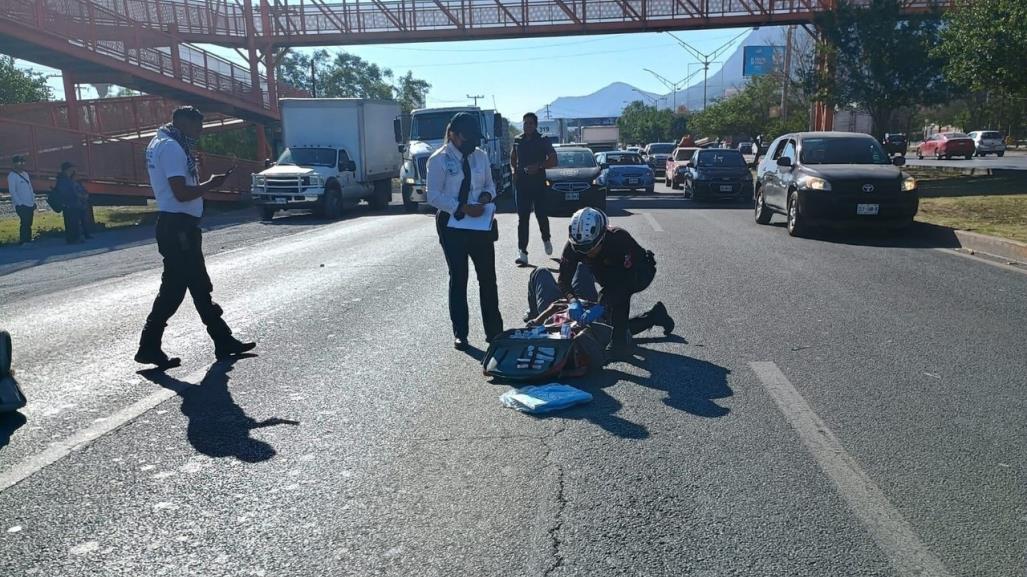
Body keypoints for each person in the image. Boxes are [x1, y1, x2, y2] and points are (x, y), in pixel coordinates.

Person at [135, 106, 255, 370]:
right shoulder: (171, 148)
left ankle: (218, 340)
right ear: (183, 122)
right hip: (178, 228)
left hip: (176, 226)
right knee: (188, 288)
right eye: (197, 126)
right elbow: (181, 192)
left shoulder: (161, 143)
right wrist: (211, 185)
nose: (200, 132)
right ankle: (152, 345)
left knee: (186, 288)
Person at [426, 112, 504, 351]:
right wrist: (460, 207)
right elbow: (434, 196)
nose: (472, 142)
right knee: (459, 278)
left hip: (480, 224)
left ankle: (495, 333)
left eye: (474, 138)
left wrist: (485, 197)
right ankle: (461, 333)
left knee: (488, 279)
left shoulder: (480, 157)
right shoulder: (438, 160)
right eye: (466, 137)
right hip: (453, 225)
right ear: (453, 135)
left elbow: (490, 185)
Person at [557, 207, 674, 357]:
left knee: (614, 302)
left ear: (602, 237)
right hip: (609, 273)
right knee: (609, 323)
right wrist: (572, 300)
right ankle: (654, 316)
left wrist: (602, 304)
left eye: (590, 248)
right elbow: (563, 280)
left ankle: (619, 346)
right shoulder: (573, 247)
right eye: (581, 249)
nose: (586, 253)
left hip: (639, 272)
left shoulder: (619, 239)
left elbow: (625, 284)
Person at [510, 112, 558, 266]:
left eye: (530, 123)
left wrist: (538, 166)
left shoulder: (543, 140)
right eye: (525, 123)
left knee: (541, 215)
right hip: (522, 185)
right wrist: (514, 171)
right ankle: (522, 252)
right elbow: (513, 158)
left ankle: (546, 239)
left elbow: (553, 160)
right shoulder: (518, 140)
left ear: (535, 125)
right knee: (523, 218)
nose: (527, 126)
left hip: (538, 184)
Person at [8, 155, 35, 245]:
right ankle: (23, 241)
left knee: (29, 222)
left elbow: (30, 188)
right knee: (24, 222)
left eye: (23, 162)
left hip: (30, 203)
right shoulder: (12, 176)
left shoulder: (25, 174)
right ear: (14, 164)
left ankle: (28, 240)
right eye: (19, 162)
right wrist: (19, 203)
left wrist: (33, 201)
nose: (21, 164)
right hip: (21, 204)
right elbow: (13, 191)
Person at [54, 162, 84, 244]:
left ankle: (75, 237)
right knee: (71, 222)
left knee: (74, 221)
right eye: (72, 168)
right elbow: (64, 192)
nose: (73, 170)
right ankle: (72, 238)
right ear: (68, 169)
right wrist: (76, 195)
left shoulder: (67, 178)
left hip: (72, 203)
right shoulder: (63, 179)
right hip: (69, 203)